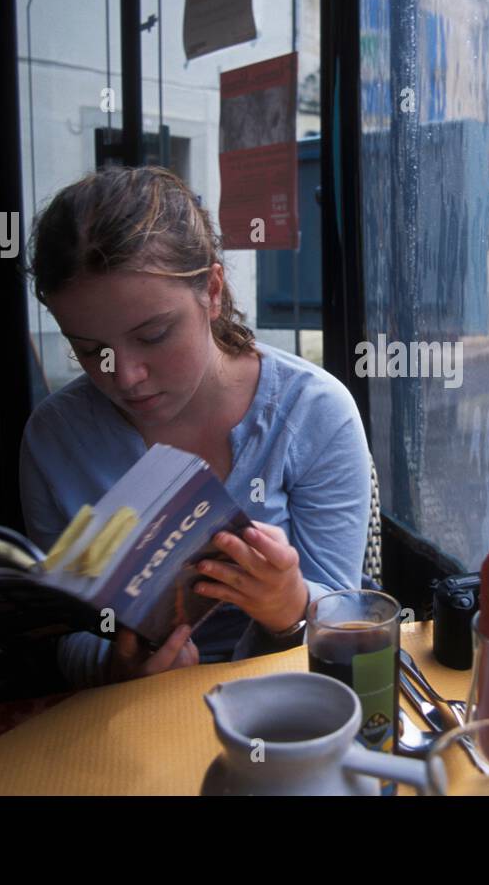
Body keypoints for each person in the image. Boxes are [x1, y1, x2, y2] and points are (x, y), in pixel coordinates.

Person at [19, 165, 371, 688]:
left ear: (211, 290)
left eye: (154, 334)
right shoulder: (56, 437)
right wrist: (113, 666)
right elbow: (63, 634)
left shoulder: (310, 412)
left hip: (282, 696)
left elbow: (347, 619)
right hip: (124, 713)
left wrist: (290, 605)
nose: (127, 377)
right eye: (90, 351)